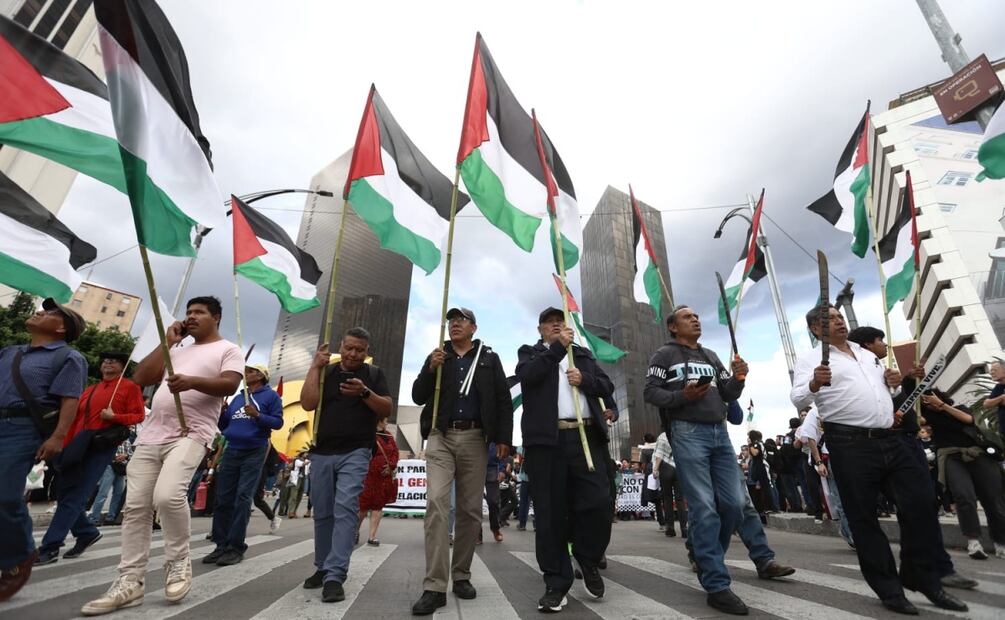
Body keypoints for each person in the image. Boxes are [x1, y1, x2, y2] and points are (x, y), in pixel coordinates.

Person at [791, 305, 967, 614]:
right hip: (850, 445)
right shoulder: (811, 359)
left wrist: (893, 381)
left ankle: (921, 576)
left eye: (839, 316)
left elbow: (880, 390)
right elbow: (798, 397)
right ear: (816, 330)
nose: (839, 320)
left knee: (922, 505)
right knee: (863, 518)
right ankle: (889, 589)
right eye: (830, 319)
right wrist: (815, 382)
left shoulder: (866, 353)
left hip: (892, 439)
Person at [81, 296, 244, 616]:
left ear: (216, 318)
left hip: (191, 433)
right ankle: (130, 580)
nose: (191, 317)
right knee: (136, 507)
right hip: (152, 435)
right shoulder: (176, 350)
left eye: (199, 312)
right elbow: (141, 377)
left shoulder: (228, 350)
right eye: (189, 312)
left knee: (168, 496)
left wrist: (192, 382)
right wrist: (167, 342)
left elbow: (229, 384)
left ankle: (178, 561)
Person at [846, 325, 977, 591]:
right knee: (909, 508)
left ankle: (936, 568)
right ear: (867, 345)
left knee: (923, 507)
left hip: (906, 443)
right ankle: (913, 573)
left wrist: (910, 379)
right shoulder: (858, 374)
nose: (884, 345)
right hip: (882, 447)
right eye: (880, 340)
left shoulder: (882, 371)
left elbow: (903, 398)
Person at [643, 305, 750, 615]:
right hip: (687, 432)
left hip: (720, 434)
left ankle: (704, 555)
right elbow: (651, 392)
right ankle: (716, 583)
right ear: (673, 327)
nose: (695, 319)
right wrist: (682, 397)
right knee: (703, 506)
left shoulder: (711, 356)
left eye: (697, 316)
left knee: (734, 504)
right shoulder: (663, 355)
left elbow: (728, 393)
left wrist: (739, 378)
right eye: (687, 317)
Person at [411, 307, 511, 615]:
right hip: (440, 436)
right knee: (436, 503)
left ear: (473, 327)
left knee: (469, 510)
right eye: (451, 320)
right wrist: (430, 369)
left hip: (476, 438)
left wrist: (504, 439)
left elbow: (503, 399)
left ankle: (462, 574)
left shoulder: (489, 359)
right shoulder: (438, 355)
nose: (455, 324)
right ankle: (434, 585)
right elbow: (417, 396)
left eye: (461, 320)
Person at [517, 307, 615, 613]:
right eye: (550, 324)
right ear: (540, 330)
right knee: (550, 514)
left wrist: (585, 379)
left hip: (586, 437)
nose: (556, 327)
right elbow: (528, 376)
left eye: (560, 323)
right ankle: (556, 583)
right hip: (547, 442)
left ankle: (588, 557)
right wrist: (557, 349)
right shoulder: (531, 354)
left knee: (599, 501)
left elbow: (606, 386)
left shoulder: (582, 355)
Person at [0, 299, 87, 602]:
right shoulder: (10, 352)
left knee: (5, 495)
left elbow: (70, 399)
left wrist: (58, 437)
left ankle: (19, 554)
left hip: (22, 428)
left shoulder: (68, 356)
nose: (40, 312)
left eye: (50, 313)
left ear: (62, 328)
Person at [300, 328, 392, 604]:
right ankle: (322, 566)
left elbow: (386, 408)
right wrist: (314, 368)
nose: (353, 354)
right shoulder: (325, 371)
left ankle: (335, 575)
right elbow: (307, 403)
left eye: (359, 350)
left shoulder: (373, 374)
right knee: (323, 512)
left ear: (366, 351)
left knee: (345, 509)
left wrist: (364, 392)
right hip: (322, 451)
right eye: (349, 348)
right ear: (340, 346)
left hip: (356, 450)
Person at [37, 352, 145, 565]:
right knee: (65, 493)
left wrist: (114, 417)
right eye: (105, 360)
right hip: (77, 444)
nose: (108, 363)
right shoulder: (90, 389)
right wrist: (62, 444)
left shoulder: (129, 387)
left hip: (100, 445)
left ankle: (50, 546)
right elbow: (74, 419)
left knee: (75, 495)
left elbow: (138, 415)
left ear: (123, 366)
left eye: (113, 360)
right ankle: (86, 532)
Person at [204, 364, 284, 566]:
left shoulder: (271, 397)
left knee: (242, 498)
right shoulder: (238, 398)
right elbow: (225, 426)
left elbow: (277, 423)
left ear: (260, 375)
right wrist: (222, 413)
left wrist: (258, 415)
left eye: (250, 371)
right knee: (223, 498)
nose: (245, 374)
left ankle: (235, 547)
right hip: (232, 450)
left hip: (254, 451)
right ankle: (221, 545)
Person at [921, 389, 1005, 560]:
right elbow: (917, 420)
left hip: (977, 454)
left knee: (993, 498)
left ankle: (1000, 541)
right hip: (951, 457)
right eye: (926, 402)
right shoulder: (929, 417)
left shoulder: (959, 408)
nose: (929, 404)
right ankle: (973, 541)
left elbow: (968, 419)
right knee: (963, 495)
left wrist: (941, 405)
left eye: (930, 399)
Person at [358, 417, 399, 546]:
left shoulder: (389, 436)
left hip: (383, 477)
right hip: (369, 475)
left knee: (378, 505)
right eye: (385, 420)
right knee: (363, 506)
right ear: (379, 421)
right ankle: (355, 530)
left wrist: (391, 465)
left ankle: (372, 536)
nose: (387, 422)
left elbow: (395, 452)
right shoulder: (368, 434)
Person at [652, 431, 686, 537]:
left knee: (667, 498)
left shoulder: (663, 436)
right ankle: (684, 528)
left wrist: (655, 469)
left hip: (666, 467)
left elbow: (659, 454)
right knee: (680, 499)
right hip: (680, 467)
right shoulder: (682, 433)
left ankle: (670, 528)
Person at [983, 361, 1005, 447]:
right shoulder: (999, 387)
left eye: (994, 370)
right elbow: (986, 404)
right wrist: (1001, 398)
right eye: (991, 370)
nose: (991, 373)